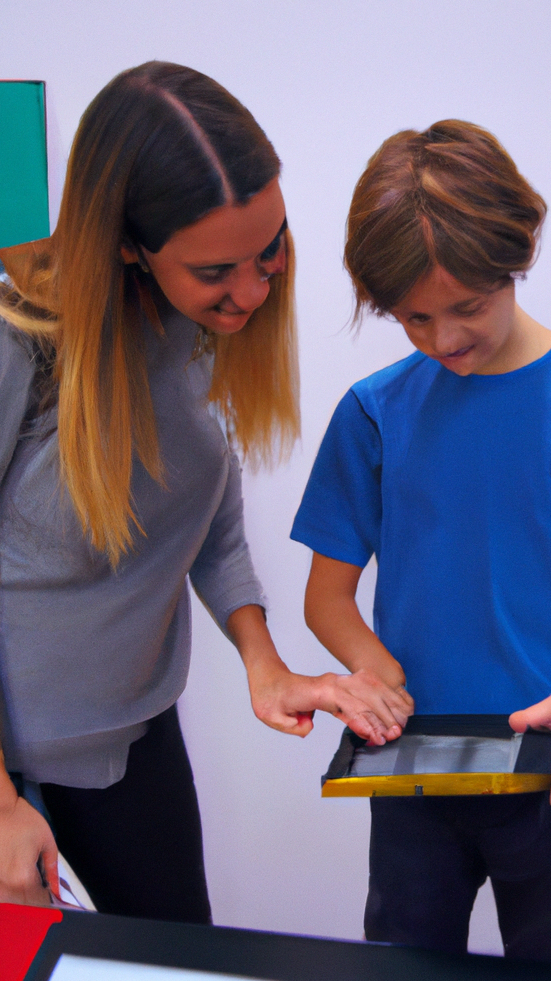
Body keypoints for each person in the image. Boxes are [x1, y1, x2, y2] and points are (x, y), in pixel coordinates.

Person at [0, 61, 412, 923]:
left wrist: (264, 664)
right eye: (219, 270)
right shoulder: (21, 347)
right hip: (17, 767)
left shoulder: (184, 324)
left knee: (174, 977)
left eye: (271, 254)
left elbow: (205, 515)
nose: (255, 292)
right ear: (125, 243)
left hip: (137, 741)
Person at [291, 120, 551, 962]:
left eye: (467, 308)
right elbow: (327, 599)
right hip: (412, 770)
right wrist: (375, 668)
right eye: (413, 320)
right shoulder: (373, 412)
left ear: (519, 255)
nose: (444, 341)